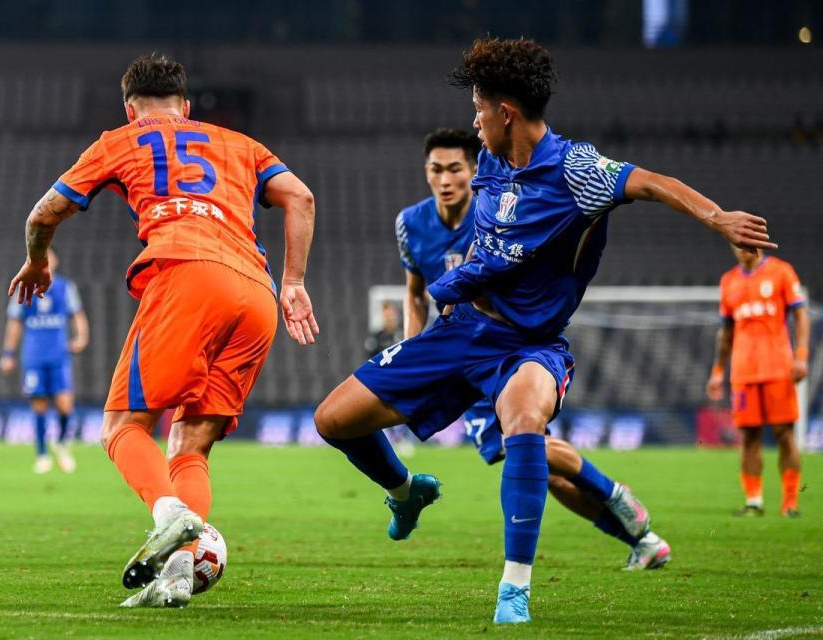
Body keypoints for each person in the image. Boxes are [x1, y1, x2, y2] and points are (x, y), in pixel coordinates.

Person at [314, 37, 775, 624]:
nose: (474, 122)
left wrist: (719, 218)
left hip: (526, 345)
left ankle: (515, 591)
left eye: (479, 109)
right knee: (333, 420)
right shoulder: (488, 165)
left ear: (506, 112)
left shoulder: (575, 169)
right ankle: (407, 494)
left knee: (524, 424)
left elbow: (651, 182)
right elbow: (487, 242)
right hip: (461, 331)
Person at [8, 53, 318, 608]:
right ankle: (176, 576)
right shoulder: (241, 143)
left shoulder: (120, 140)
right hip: (257, 291)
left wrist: (36, 262)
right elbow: (301, 196)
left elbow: (42, 215)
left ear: (130, 109)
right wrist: (293, 281)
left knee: (121, 427)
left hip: (188, 274)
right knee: (190, 444)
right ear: (186, 107)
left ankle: (170, 514)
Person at [398, 127, 668, 568]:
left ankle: (611, 492)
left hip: (509, 349)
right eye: (436, 170)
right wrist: (413, 348)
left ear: (474, 169)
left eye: (455, 169)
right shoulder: (410, 224)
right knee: (539, 471)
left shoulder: (502, 207)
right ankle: (643, 540)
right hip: (458, 354)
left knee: (518, 447)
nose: (445, 180)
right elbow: (414, 293)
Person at [706, 247, 809, 517]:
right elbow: (726, 331)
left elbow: (801, 315)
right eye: (736, 244)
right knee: (749, 436)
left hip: (778, 368)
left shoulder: (781, 272)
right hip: (743, 373)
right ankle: (754, 501)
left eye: (747, 242)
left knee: (784, 434)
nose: (741, 249)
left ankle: (790, 503)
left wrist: (801, 356)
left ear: (759, 242)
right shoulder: (729, 280)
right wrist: (718, 370)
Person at [1, 248, 89, 474]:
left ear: (56, 261)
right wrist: (8, 354)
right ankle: (41, 454)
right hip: (34, 356)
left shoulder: (65, 288)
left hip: (59, 355)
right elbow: (14, 322)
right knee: (39, 404)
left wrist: (81, 337)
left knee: (65, 405)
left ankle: (61, 444)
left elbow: (78, 315)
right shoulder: (25, 287)